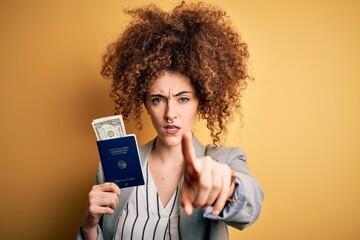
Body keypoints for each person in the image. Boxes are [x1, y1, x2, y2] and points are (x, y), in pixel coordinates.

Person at [78, 1, 263, 240]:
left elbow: (251, 204)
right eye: (157, 100)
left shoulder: (224, 160)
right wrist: (90, 226)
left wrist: (226, 185)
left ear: (202, 101)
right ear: (144, 102)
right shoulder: (114, 166)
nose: (170, 113)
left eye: (183, 99)